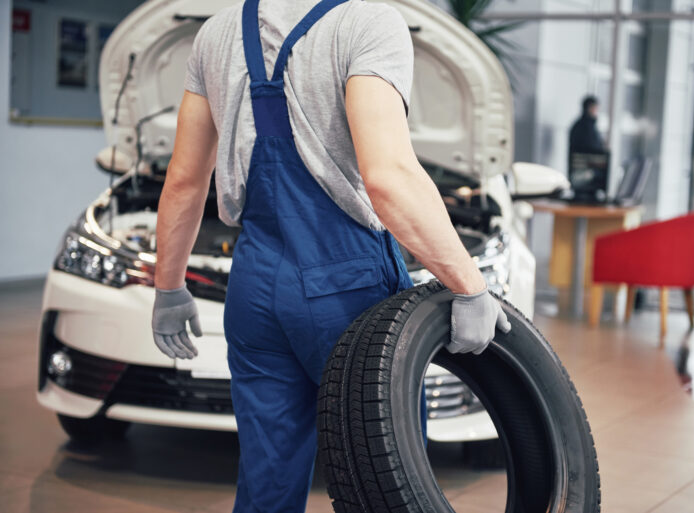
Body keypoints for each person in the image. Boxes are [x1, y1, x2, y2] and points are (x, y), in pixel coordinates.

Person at [150, 0, 511, 511]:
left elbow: (185, 181)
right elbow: (387, 176)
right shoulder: (368, 22)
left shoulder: (215, 34)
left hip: (254, 282)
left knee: (266, 479)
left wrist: (169, 286)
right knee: (387, 478)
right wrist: (469, 284)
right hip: (347, 286)